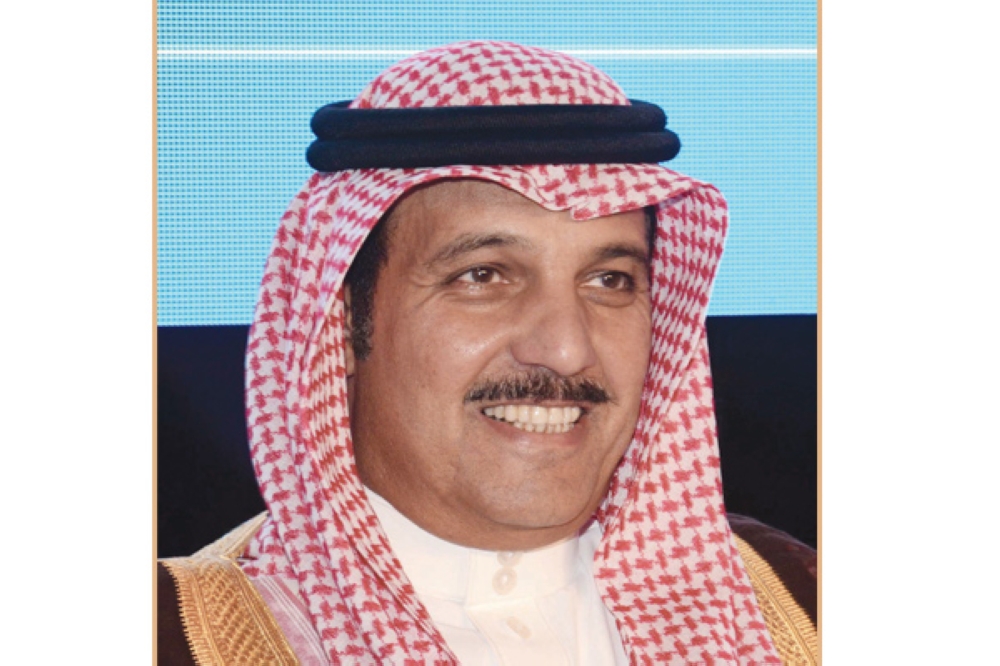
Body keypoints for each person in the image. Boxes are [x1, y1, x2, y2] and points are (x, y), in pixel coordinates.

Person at [158, 40, 817, 665]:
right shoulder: (166, 636)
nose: (566, 350)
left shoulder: (798, 599)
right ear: (342, 321)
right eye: (483, 276)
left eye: (610, 280)